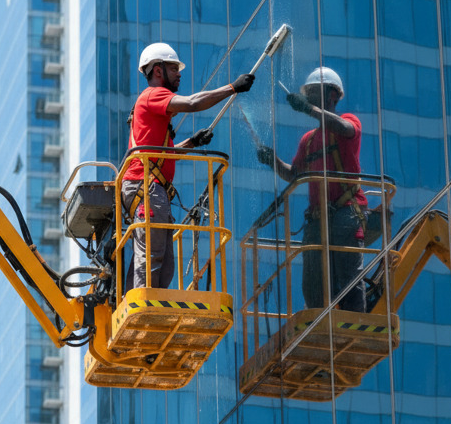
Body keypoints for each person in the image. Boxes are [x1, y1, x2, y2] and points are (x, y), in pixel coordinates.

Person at [122, 42, 255, 290]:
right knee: (151, 256)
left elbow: (166, 155)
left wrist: (192, 142)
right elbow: (193, 102)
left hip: (150, 189)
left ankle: (139, 300)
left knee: (164, 264)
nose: (179, 74)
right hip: (147, 188)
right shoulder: (153, 94)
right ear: (158, 71)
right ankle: (141, 303)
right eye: (174, 69)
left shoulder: (156, 118)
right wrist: (232, 88)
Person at [257, 67, 368, 312]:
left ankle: (355, 323)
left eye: (314, 92)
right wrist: (272, 160)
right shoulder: (308, 140)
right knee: (313, 287)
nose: (309, 97)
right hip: (318, 220)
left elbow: (344, 128)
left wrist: (308, 109)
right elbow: (294, 175)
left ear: (332, 95)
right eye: (308, 94)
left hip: (346, 213)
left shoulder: (348, 122)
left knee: (349, 281)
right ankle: (318, 323)